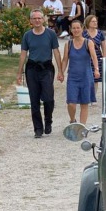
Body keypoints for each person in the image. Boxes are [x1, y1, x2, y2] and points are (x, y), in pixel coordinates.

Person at [16, 9, 64, 138]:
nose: (37, 20)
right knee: (34, 99)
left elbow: (56, 52)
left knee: (48, 98)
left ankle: (48, 120)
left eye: (39, 18)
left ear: (43, 19)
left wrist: (60, 71)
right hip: (32, 68)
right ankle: (38, 128)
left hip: (46, 68)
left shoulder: (50, 34)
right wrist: (19, 73)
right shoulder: (27, 35)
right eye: (34, 18)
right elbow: (23, 54)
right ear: (31, 21)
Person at [63, 20, 99, 124]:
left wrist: (96, 69)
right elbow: (65, 59)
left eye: (78, 28)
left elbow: (94, 57)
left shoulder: (88, 43)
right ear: (71, 30)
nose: (76, 30)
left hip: (86, 77)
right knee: (71, 103)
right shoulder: (68, 44)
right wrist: (61, 72)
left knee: (84, 103)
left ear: (82, 29)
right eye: (73, 28)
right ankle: (72, 120)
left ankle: (82, 127)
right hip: (73, 78)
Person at [83, 14, 106, 99]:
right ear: (88, 22)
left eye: (96, 21)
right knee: (87, 78)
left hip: (97, 58)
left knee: (95, 79)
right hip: (86, 59)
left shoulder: (100, 33)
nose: (95, 23)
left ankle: (93, 96)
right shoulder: (84, 33)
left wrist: (105, 57)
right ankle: (87, 95)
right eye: (93, 21)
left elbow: (103, 46)